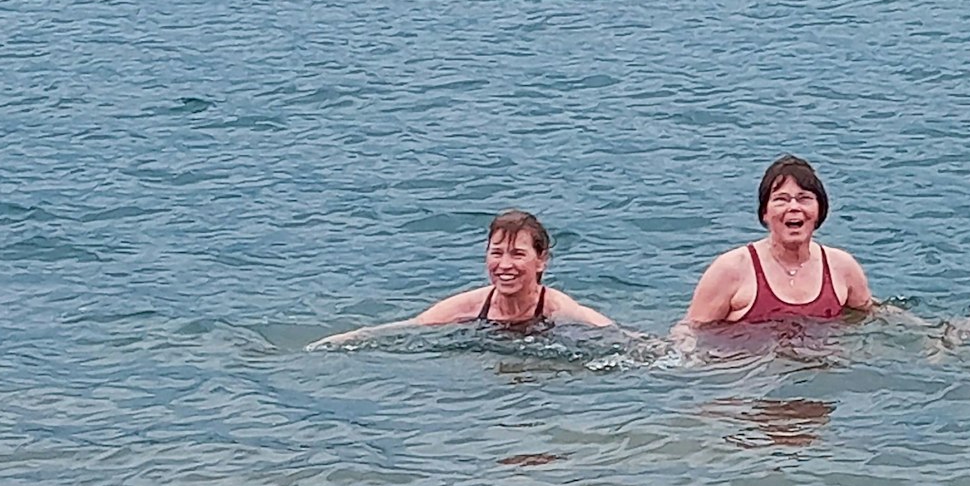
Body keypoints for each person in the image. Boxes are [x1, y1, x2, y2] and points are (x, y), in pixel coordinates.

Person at [314, 209, 613, 346]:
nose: (504, 265)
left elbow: (612, 334)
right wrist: (347, 339)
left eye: (517, 254)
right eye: (496, 253)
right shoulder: (468, 307)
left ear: (541, 261)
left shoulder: (557, 308)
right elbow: (406, 329)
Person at [683, 156, 874, 326]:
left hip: (822, 364)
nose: (793, 207)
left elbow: (870, 318)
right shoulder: (731, 269)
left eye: (804, 198)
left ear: (819, 211)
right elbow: (690, 332)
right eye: (781, 199)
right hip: (746, 363)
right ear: (765, 212)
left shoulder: (843, 267)